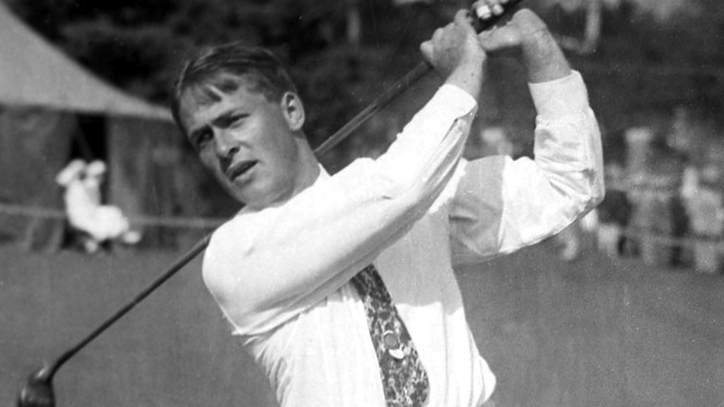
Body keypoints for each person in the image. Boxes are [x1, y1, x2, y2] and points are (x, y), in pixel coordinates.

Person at [170, 1, 604, 406]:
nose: (223, 147)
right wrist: (464, 68)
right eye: (203, 138)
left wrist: (538, 46)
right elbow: (398, 191)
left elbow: (567, 184)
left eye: (233, 120)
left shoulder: (404, 185)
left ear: (291, 111)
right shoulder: (232, 255)